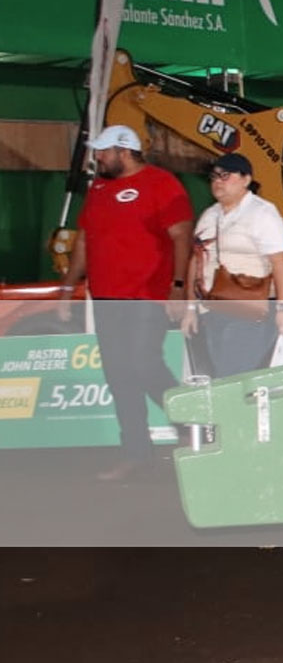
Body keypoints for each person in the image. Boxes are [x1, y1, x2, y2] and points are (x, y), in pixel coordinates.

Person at [57, 125, 194, 482]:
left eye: (103, 151)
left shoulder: (162, 184)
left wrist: (178, 287)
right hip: (105, 298)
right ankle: (137, 454)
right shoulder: (98, 188)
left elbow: (182, 237)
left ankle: (190, 425)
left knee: (141, 364)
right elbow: (85, 240)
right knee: (119, 376)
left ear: (125, 150)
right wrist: (68, 287)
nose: (97, 157)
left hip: (145, 297)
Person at [180, 152, 283, 377]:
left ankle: (238, 412)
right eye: (214, 177)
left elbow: (280, 262)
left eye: (225, 175)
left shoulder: (263, 214)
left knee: (232, 373)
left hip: (252, 308)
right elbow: (196, 261)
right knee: (221, 373)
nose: (217, 182)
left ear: (246, 179)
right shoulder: (209, 215)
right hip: (213, 309)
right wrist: (191, 308)